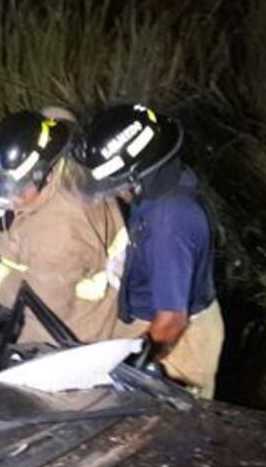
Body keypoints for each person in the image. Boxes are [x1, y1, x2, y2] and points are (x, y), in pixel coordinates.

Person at [70, 103, 224, 398]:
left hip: (180, 343)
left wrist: (131, 367)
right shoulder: (164, 184)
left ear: (138, 175)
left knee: (171, 431)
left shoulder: (170, 220)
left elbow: (171, 321)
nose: (116, 193)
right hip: (155, 319)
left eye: (117, 185)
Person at [0, 106, 126, 346]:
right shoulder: (71, 173)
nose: (4, 199)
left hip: (76, 326)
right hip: (51, 282)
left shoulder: (56, 230)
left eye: (14, 189)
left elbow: (42, 325)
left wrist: (19, 360)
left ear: (44, 173)